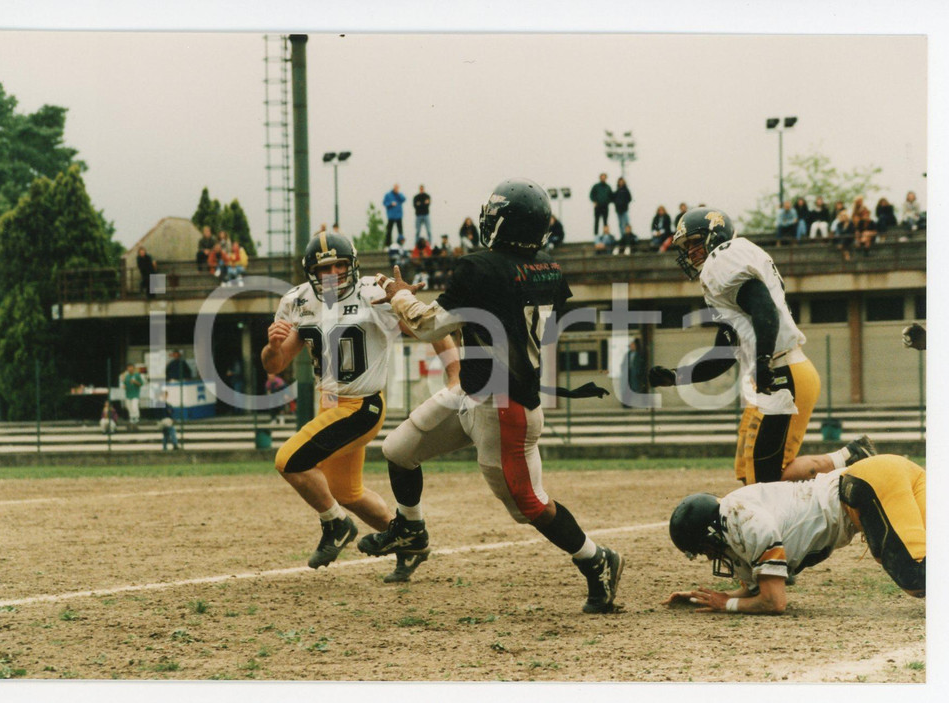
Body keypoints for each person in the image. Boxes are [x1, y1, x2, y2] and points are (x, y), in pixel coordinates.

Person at [358, 178, 625, 615]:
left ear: (502, 222)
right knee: (399, 449)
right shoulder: (548, 269)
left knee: (530, 507)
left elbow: (426, 326)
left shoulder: (481, 269)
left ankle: (597, 560)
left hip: (504, 409)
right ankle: (411, 530)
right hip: (475, 391)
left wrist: (399, 296)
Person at [260, 231, 450, 580]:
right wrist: (272, 348)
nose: (332, 274)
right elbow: (275, 364)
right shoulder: (298, 301)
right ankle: (411, 541)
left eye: (339, 265)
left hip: (362, 406)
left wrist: (454, 373)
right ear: (311, 273)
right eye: (324, 268)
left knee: (288, 460)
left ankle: (335, 525)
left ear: (352, 265)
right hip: (329, 402)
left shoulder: (373, 294)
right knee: (346, 491)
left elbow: (429, 325)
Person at [649, 207, 876, 485]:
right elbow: (724, 353)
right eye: (688, 246)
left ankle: (851, 461)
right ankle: (850, 457)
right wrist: (677, 375)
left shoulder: (723, 258)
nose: (691, 251)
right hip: (778, 372)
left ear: (715, 235)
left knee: (764, 483)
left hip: (782, 371)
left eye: (696, 242)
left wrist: (764, 360)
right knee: (749, 474)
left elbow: (763, 306)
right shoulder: (728, 271)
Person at [663, 454, 925, 614]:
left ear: (711, 533)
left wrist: (726, 605)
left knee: (914, 577)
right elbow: (757, 591)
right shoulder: (735, 513)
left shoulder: (744, 521)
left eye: (705, 549)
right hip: (883, 474)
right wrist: (707, 599)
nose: (710, 557)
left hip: (868, 483)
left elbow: (773, 602)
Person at [120, 363, 144, 431]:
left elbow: (141, 384)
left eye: (131, 367)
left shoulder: (137, 375)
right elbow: (124, 385)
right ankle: (132, 419)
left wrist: (135, 382)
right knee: (129, 407)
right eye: (128, 367)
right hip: (128, 395)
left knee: (134, 406)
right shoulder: (126, 376)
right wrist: (123, 384)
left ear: (133, 368)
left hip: (135, 394)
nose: (130, 369)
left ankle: (136, 418)